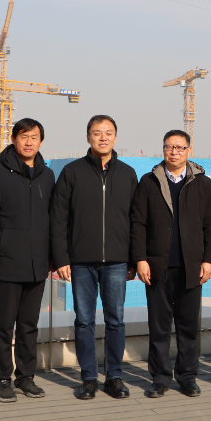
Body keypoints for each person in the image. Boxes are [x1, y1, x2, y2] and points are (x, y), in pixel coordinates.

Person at [50, 115, 138, 400]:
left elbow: (136, 220)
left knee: (116, 321)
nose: (103, 137)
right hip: (80, 261)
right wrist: (61, 258)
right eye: (97, 133)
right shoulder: (72, 172)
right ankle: (88, 378)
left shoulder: (127, 174)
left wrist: (134, 260)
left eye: (108, 132)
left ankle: (114, 377)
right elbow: (58, 218)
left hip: (116, 261)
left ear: (115, 137)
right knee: (84, 320)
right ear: (88, 137)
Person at [130, 130, 211, 399]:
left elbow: (210, 224)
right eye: (170, 147)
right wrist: (140, 259)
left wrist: (209, 260)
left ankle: (187, 376)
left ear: (189, 150)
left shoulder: (202, 183)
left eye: (180, 147)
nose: (174, 152)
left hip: (192, 266)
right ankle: (159, 378)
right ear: (163, 149)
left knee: (188, 326)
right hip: (158, 267)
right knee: (159, 327)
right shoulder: (149, 181)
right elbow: (138, 223)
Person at [0, 118, 55, 403]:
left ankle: (26, 377)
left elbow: (53, 220)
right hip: (6, 262)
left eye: (34, 137)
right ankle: (1, 380)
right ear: (13, 139)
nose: (29, 142)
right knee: (3, 325)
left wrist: (52, 258)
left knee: (29, 325)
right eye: (23, 136)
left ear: (41, 142)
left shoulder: (47, 175)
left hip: (37, 264)